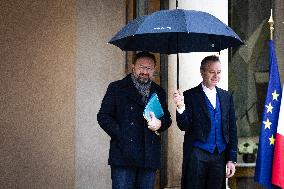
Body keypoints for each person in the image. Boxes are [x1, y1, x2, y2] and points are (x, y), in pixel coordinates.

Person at [97, 52, 172, 189]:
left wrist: (160, 124)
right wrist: (122, 134)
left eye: (149, 68)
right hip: (124, 154)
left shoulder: (159, 91)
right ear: (133, 67)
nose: (144, 71)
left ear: (154, 69)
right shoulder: (117, 87)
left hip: (149, 155)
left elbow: (166, 118)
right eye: (141, 67)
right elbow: (103, 116)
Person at [173, 55, 237, 189]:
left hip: (219, 155)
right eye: (211, 72)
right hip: (197, 154)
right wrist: (180, 107)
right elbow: (183, 125)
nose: (216, 76)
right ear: (202, 72)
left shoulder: (226, 96)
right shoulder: (189, 95)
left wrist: (231, 159)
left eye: (218, 72)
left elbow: (232, 129)